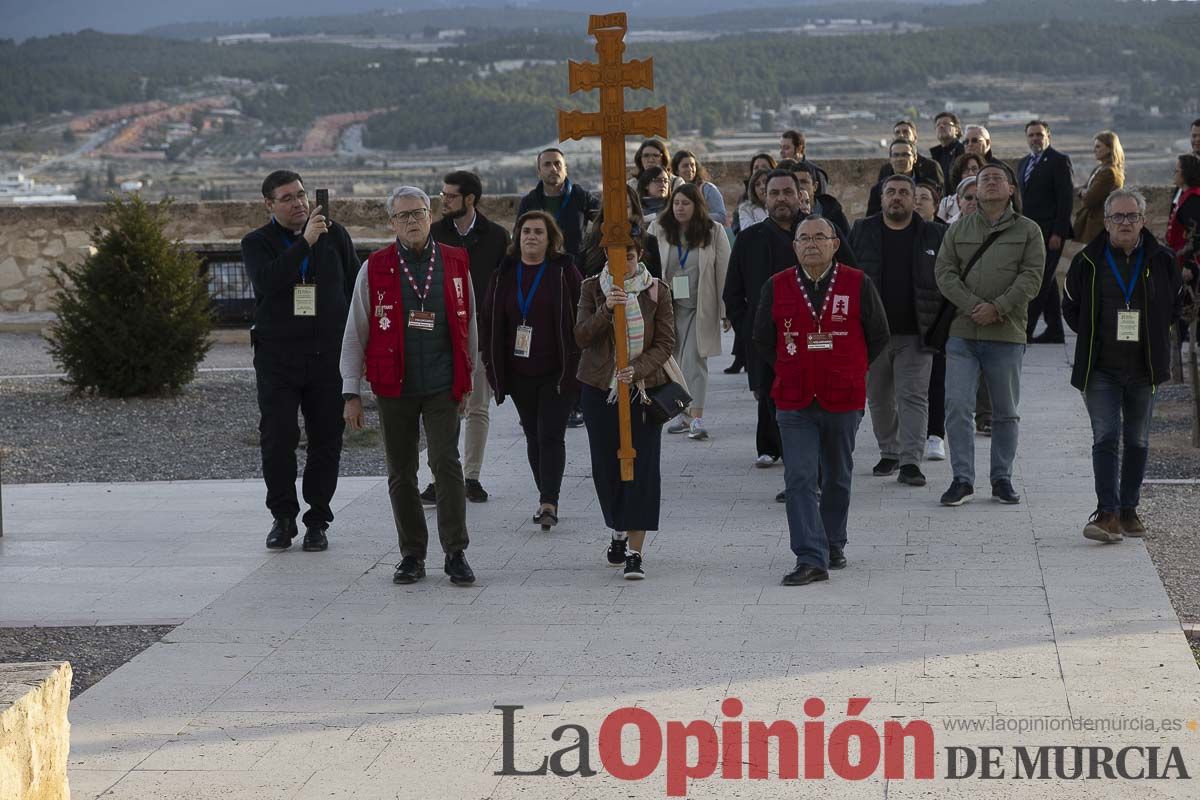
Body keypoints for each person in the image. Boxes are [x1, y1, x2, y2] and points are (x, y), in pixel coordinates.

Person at [341, 186, 476, 586]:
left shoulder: (454, 262)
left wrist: (467, 381)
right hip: (393, 386)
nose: (412, 221)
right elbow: (355, 332)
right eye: (403, 216)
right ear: (391, 223)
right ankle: (412, 555)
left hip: (441, 383)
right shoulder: (375, 267)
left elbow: (470, 326)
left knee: (446, 463)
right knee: (401, 472)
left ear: (431, 214)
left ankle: (455, 551)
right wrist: (351, 393)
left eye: (418, 213)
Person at [754, 217, 889, 585]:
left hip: (842, 397)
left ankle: (833, 542)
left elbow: (878, 335)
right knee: (799, 478)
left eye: (820, 237)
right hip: (794, 399)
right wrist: (791, 365)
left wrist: (850, 367)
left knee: (837, 477)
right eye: (803, 238)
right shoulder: (777, 285)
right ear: (794, 246)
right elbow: (763, 339)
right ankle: (810, 557)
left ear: (834, 244)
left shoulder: (858, 283)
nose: (811, 243)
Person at [241, 169, 360, 552]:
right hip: (279, 358)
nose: (299, 204)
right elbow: (268, 282)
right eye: (288, 198)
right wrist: (305, 243)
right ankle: (283, 516)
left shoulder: (335, 235)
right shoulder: (256, 242)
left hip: (327, 357)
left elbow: (353, 286)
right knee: (278, 437)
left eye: (301, 195)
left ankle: (318, 519)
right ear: (269, 205)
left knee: (327, 439)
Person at [723, 170, 857, 499]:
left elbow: (853, 280)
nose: (781, 198)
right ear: (763, 198)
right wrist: (751, 334)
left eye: (787, 192)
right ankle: (801, 479)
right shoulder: (749, 239)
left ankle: (823, 476)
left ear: (801, 195)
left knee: (824, 410)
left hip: (823, 343)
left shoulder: (822, 232)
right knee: (782, 413)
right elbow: (733, 295)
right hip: (769, 348)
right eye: (774, 193)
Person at [1062, 190, 1182, 542]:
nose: (1125, 223)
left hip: (1145, 368)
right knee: (1106, 436)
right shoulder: (1088, 261)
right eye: (1118, 217)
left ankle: (1129, 510)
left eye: (1132, 216)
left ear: (1144, 220)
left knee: (1137, 440)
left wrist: (1158, 334)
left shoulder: (1162, 260)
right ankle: (1107, 514)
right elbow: (1070, 306)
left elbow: (1175, 304)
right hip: (1101, 368)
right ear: (1106, 221)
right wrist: (1089, 337)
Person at [934, 163, 1045, 507]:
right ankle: (962, 479)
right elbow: (944, 271)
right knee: (957, 406)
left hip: (1006, 333)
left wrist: (998, 307)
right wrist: (972, 305)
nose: (992, 182)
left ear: (1011, 189)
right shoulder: (958, 229)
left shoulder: (1029, 231)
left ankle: (1002, 478)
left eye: (999, 178)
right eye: (984, 180)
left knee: (1005, 411)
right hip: (963, 333)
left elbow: (1032, 276)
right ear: (975, 192)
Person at [576, 241, 675, 580]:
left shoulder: (656, 291)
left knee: (642, 467)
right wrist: (606, 310)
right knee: (607, 466)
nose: (624, 263)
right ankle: (617, 528)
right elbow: (582, 335)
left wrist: (639, 368)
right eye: (616, 257)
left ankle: (635, 551)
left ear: (639, 256)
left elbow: (665, 341)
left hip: (643, 390)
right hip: (600, 389)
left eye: (629, 256)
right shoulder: (592, 287)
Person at [481, 211, 582, 531]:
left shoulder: (563, 271)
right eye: (526, 232)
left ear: (550, 239)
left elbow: (582, 313)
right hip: (518, 372)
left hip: (557, 371)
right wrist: (490, 363)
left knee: (551, 435)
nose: (531, 237)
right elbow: (489, 319)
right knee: (533, 436)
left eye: (539, 232)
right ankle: (545, 493)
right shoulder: (504, 274)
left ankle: (548, 501)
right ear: (517, 237)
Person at [850, 175, 945, 487]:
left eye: (904, 192)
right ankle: (889, 450)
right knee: (878, 397)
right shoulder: (862, 231)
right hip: (872, 333)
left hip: (917, 332)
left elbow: (946, 280)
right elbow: (849, 277)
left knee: (913, 397)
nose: (897, 197)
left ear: (913, 199)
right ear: (882, 198)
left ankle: (910, 462)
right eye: (891, 192)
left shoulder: (933, 234)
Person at [424, 170, 510, 505]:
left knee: (477, 407)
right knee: (441, 410)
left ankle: (471, 476)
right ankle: (440, 479)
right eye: (443, 194)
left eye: (450, 196)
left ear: (469, 199)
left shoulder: (496, 237)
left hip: (482, 331)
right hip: (441, 333)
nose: (443, 200)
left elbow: (504, 287)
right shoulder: (434, 234)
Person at [648, 182, 731, 440]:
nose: (680, 208)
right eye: (676, 203)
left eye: (686, 203)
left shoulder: (713, 231)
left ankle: (696, 418)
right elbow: (649, 266)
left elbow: (724, 272)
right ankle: (682, 413)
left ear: (697, 206)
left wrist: (725, 311)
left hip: (699, 307)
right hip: (668, 308)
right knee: (673, 363)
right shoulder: (658, 230)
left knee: (695, 361)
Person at [1018, 121, 1075, 345]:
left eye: (1039, 134)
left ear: (1048, 135)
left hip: (1051, 233)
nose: (1035, 139)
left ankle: (1025, 331)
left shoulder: (1059, 161)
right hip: (1031, 233)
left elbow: (1065, 200)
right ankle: (1055, 330)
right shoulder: (1023, 163)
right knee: (1049, 282)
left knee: (1039, 281)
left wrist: (1058, 233)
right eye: (1031, 135)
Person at [518, 147, 600, 266]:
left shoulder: (580, 196)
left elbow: (605, 218)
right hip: (540, 269)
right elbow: (518, 237)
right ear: (539, 172)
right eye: (547, 164)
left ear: (565, 170)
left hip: (574, 270)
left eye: (557, 164)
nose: (553, 169)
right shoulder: (529, 201)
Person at [580, 184, 663, 280]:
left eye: (626, 206)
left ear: (634, 210)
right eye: (614, 205)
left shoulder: (649, 241)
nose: (619, 211)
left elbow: (656, 282)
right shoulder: (591, 240)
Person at [1073, 130, 1125, 247]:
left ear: (1109, 149)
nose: (1094, 150)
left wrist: (1084, 192)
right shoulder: (1100, 168)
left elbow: (1089, 199)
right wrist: (1084, 191)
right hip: (1095, 227)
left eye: (1098, 146)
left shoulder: (1108, 172)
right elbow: (1085, 188)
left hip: (1099, 227)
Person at [867, 138, 942, 217]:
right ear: (890, 159)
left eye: (905, 155)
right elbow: (872, 220)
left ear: (915, 158)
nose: (900, 159)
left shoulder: (930, 187)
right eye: (896, 155)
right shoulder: (878, 189)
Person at [874, 120, 946, 196]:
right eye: (897, 133)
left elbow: (939, 196)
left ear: (915, 138)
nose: (901, 135)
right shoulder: (886, 169)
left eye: (905, 132)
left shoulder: (930, 166)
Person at [791, 162, 850, 237]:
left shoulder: (833, 212)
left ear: (815, 186)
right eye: (795, 182)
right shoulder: (786, 214)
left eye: (804, 182)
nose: (799, 186)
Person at [672, 149, 728, 225]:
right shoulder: (671, 189)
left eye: (692, 165)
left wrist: (694, 217)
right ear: (676, 170)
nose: (690, 169)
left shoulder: (708, 189)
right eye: (685, 166)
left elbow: (721, 217)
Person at [938, 153, 985, 223]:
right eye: (966, 170)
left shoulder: (988, 199)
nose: (971, 173)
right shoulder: (946, 203)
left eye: (974, 169)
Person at [780, 129, 830, 194]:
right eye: (781, 147)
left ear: (799, 149)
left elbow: (821, 201)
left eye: (786, 148)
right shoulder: (779, 171)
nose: (781, 152)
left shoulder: (816, 173)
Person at [930, 112, 965, 196]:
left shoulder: (963, 152)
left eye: (946, 124)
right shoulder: (935, 156)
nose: (941, 126)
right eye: (938, 125)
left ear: (956, 130)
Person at [733, 167, 771, 235]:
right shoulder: (745, 208)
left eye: (765, 182)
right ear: (753, 190)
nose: (762, 187)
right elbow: (747, 231)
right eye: (757, 184)